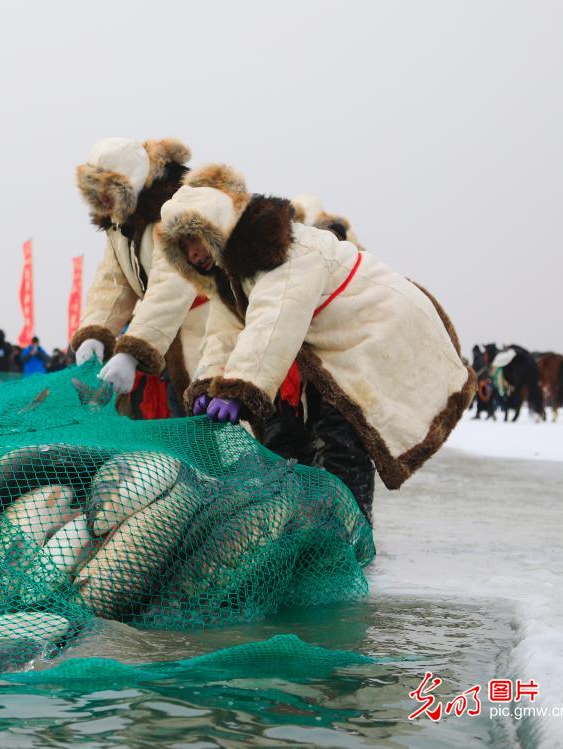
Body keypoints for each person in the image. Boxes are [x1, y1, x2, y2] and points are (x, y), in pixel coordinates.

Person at [158, 163, 475, 522]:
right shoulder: (232, 276)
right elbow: (224, 333)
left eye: (195, 239)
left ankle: (348, 530)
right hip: (340, 341)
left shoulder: (281, 252)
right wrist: (207, 381)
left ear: (217, 226)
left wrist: (238, 389)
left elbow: (273, 324)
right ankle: (308, 522)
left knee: (344, 428)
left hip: (380, 326)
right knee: (302, 433)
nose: (192, 253)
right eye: (182, 247)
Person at [71, 137, 206, 419]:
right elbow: (113, 282)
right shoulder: (120, 223)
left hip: (208, 332)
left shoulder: (177, 209)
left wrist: (133, 351)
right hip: (166, 340)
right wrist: (95, 331)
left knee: (221, 428)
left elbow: (173, 284)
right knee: (178, 425)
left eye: (108, 188)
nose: (101, 198)